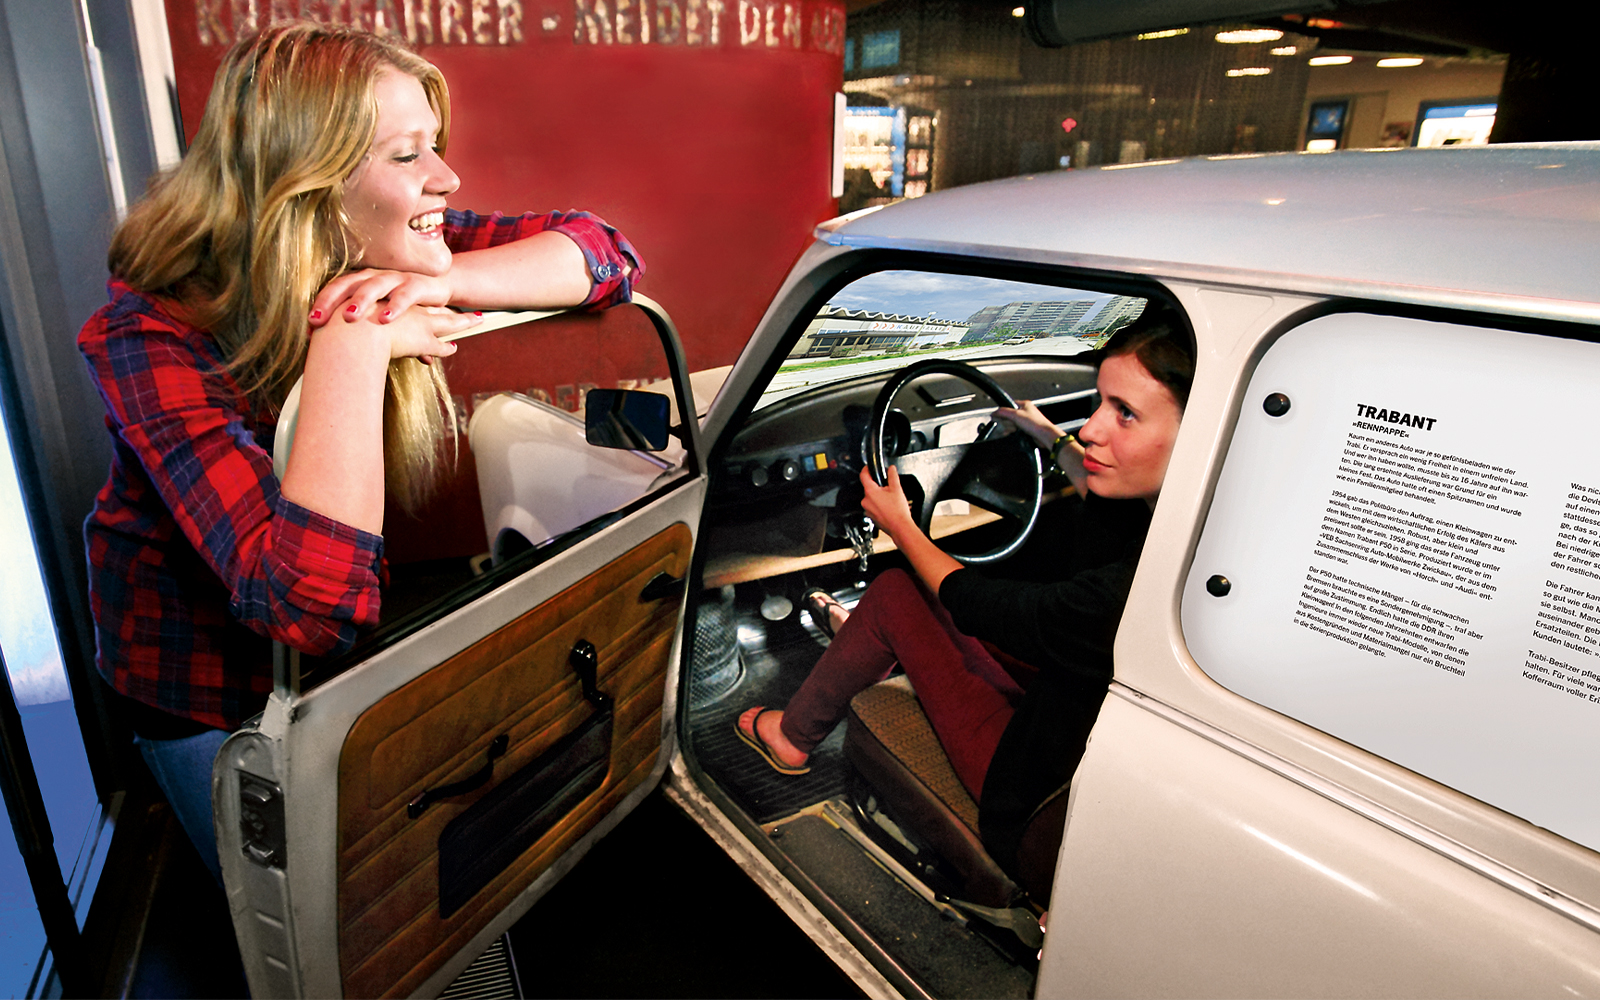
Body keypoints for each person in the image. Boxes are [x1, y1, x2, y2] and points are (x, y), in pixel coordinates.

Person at [78, 22, 642, 882]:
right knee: (281, 923)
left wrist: (445, 280)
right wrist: (352, 334)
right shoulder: (146, 332)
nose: (446, 177)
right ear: (307, 188)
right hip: (192, 677)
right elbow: (310, 608)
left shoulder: (383, 241)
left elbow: (606, 253)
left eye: (435, 146)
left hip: (321, 680)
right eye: (408, 154)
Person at [736, 310, 1192, 877]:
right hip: (1083, 733)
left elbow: (986, 607)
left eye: (1125, 414)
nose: (1092, 430)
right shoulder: (1186, 532)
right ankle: (856, 641)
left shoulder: (1125, 593)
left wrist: (900, 524)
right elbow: (1102, 490)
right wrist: (1050, 438)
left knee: (899, 589)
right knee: (935, 606)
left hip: (1031, 804)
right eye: (1098, 401)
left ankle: (791, 736)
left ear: (1200, 434)